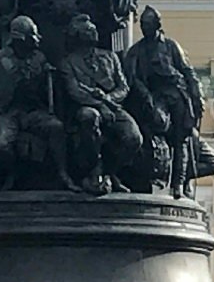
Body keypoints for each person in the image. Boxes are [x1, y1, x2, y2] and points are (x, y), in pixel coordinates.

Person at [123, 6, 212, 198]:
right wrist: (146, 96)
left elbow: (187, 72)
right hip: (154, 97)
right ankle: (151, 175)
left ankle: (178, 183)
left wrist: (197, 96)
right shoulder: (136, 51)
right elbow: (131, 79)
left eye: (149, 24)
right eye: (144, 24)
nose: (146, 28)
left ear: (157, 25)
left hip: (177, 95)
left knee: (181, 139)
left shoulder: (170, 46)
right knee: (157, 125)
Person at [55, 13, 147, 194]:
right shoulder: (68, 63)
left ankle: (110, 172)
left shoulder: (110, 57)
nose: (93, 32)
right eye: (87, 30)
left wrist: (109, 99)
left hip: (112, 106)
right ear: (77, 35)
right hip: (85, 108)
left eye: (93, 29)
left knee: (134, 138)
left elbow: (123, 86)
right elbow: (75, 91)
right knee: (89, 117)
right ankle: (93, 170)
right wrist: (99, 105)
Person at [0, 16, 65, 190]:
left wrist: (50, 78)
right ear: (20, 39)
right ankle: (13, 173)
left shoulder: (39, 58)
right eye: (32, 37)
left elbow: (49, 91)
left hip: (33, 112)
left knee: (56, 127)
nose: (36, 41)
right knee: (0, 145)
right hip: (8, 113)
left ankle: (63, 173)